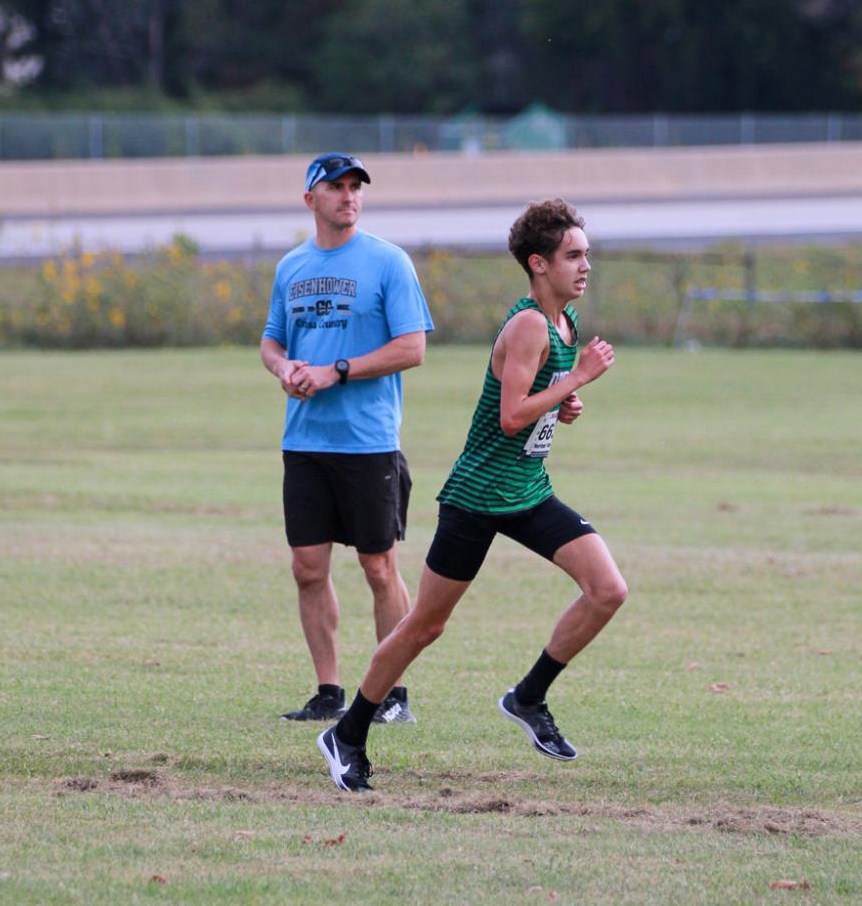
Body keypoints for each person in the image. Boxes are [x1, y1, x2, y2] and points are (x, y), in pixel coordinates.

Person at [319, 197, 627, 792]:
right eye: (573, 256)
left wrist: (565, 403)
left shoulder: (564, 323)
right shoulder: (529, 324)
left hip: (528, 491)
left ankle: (529, 696)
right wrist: (577, 378)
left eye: (588, 254)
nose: (586, 266)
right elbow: (511, 417)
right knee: (423, 627)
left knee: (607, 589)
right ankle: (348, 732)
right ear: (539, 264)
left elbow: (532, 408)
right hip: (478, 498)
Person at [262, 153, 433, 724]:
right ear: (311, 199)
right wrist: (284, 369)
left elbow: (412, 348)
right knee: (307, 568)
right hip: (306, 442)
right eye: (336, 186)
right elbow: (271, 343)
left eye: (356, 186)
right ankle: (329, 692)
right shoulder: (291, 267)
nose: (349, 195)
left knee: (378, 568)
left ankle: (392, 696)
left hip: (368, 442)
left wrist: (336, 369)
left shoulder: (388, 262)